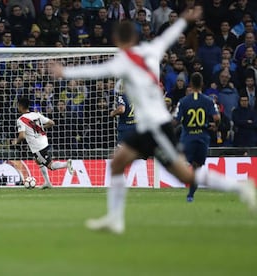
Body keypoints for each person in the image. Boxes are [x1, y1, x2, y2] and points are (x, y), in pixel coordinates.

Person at [50, 6, 256, 235]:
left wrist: (65, 73)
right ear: (136, 37)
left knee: (185, 175)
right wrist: (184, 20)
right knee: (118, 163)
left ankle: (239, 187)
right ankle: (115, 219)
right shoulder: (151, 49)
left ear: (117, 39)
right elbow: (168, 37)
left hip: (157, 127)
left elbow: (95, 71)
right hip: (146, 127)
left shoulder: (123, 61)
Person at [174, 72, 221, 202]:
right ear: (202, 84)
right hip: (202, 138)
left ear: (190, 84)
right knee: (196, 169)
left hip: (188, 137)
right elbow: (217, 117)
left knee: (181, 163)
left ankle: (183, 177)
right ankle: (190, 195)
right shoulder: (209, 100)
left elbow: (175, 121)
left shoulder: (183, 101)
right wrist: (214, 126)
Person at [12, 97, 74, 189]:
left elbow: (22, 136)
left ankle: (66, 164)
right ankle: (47, 182)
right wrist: (40, 128)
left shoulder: (21, 120)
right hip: (44, 140)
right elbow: (52, 123)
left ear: (20, 106)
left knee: (50, 165)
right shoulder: (36, 114)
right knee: (38, 160)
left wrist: (16, 141)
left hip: (37, 146)